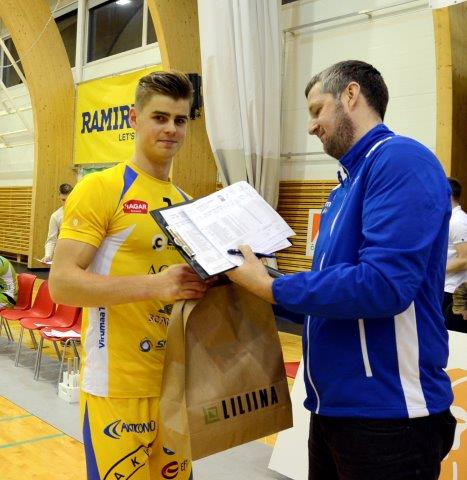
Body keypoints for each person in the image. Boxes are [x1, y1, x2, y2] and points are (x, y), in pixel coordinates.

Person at [226, 60, 456, 479]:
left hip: (390, 415)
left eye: (317, 110)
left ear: (351, 95)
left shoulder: (400, 159)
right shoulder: (343, 188)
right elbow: (330, 297)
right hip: (334, 408)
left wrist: (274, 288)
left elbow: (383, 285)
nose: (311, 126)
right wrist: (255, 284)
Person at [49, 71, 208, 480]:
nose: (171, 129)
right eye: (160, 117)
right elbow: (61, 283)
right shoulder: (102, 188)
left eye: (180, 120)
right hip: (116, 386)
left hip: (175, 386)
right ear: (134, 119)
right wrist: (156, 285)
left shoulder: (187, 203)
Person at [443, 178, 467, 333]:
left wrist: (436, 270)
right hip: (445, 287)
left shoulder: (458, 222)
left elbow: (465, 260)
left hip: (453, 292)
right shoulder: (450, 219)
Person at [40, 183, 73, 263]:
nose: (66, 203)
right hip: (61, 256)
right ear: (59, 198)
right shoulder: (56, 216)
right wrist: (48, 256)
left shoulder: (82, 213)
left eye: (69, 199)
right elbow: (51, 240)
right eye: (63, 200)